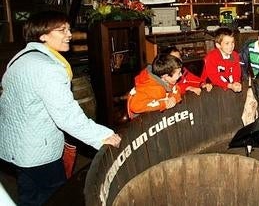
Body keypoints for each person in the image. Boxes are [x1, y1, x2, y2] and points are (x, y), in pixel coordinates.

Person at [0, 11, 121, 205]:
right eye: (62, 30)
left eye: (69, 28)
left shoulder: (20, 59)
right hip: (38, 151)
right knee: (57, 197)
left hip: (16, 149)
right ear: (43, 36)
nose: (70, 34)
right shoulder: (49, 68)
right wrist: (101, 136)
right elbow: (66, 115)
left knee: (29, 195)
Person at [126, 53, 183, 119]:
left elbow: (176, 89)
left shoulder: (166, 80)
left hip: (157, 116)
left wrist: (173, 98)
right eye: (178, 73)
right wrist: (164, 103)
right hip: (142, 122)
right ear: (165, 76)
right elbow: (134, 106)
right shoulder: (150, 88)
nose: (181, 75)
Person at [201, 27, 242, 92]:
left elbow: (236, 72)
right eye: (227, 43)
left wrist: (236, 82)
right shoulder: (211, 57)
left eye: (232, 42)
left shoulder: (235, 55)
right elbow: (214, 77)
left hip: (228, 86)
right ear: (218, 45)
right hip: (211, 86)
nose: (231, 46)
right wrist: (230, 85)